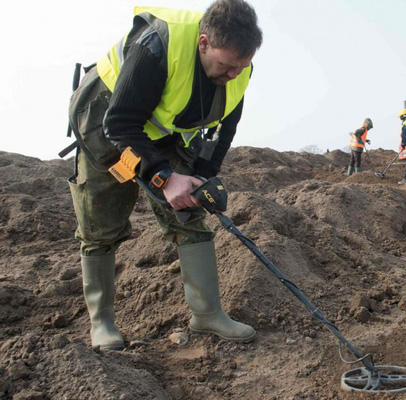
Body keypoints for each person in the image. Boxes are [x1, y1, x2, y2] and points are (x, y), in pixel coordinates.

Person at [67, 0, 263, 350]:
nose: (233, 74)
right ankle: (102, 323)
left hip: (163, 134)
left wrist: (201, 177)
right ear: (204, 43)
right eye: (226, 65)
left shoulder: (238, 69)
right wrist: (165, 177)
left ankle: (207, 314)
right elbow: (120, 122)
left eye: (241, 66)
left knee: (190, 215)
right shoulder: (156, 45)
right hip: (107, 123)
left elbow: (225, 132)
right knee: (101, 226)